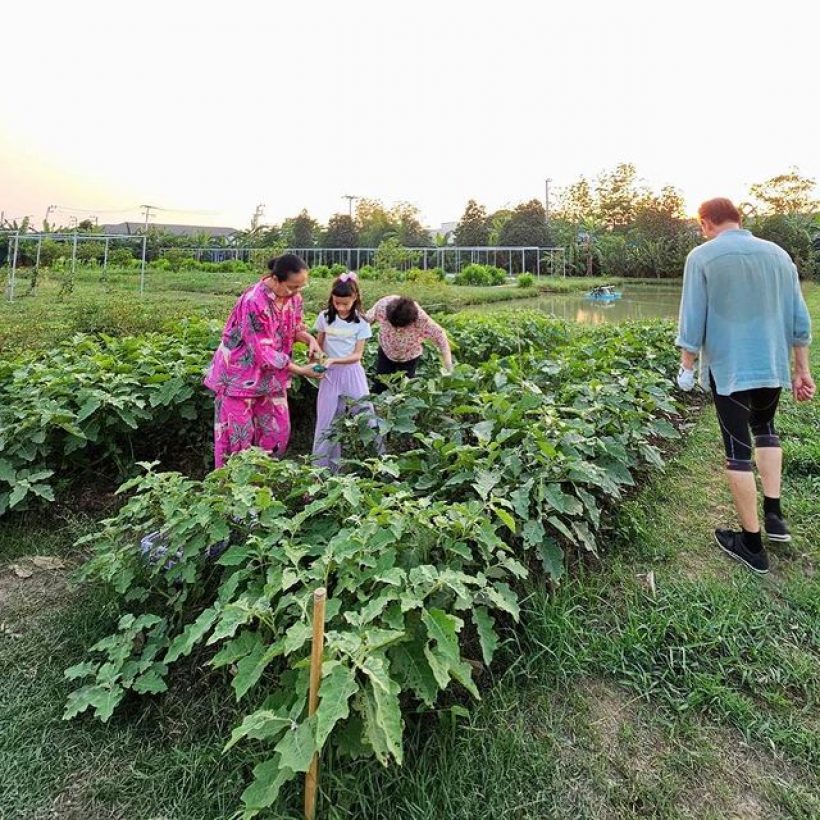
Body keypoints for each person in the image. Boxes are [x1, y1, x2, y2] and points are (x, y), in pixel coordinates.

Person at [676, 197, 814, 574]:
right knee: (767, 430)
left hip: (730, 369)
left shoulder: (702, 257)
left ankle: (751, 544)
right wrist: (802, 370)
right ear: (739, 219)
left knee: (737, 450)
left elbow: (692, 318)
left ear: (706, 223)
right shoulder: (778, 255)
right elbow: (799, 319)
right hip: (771, 366)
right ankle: (774, 516)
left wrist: (686, 367)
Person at [204, 253, 323, 468]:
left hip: (270, 379)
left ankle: (262, 486)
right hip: (238, 377)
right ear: (276, 279)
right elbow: (263, 353)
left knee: (277, 433)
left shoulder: (293, 298)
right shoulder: (253, 301)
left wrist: (310, 340)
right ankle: (231, 493)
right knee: (238, 439)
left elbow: (295, 327)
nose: (296, 292)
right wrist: (302, 371)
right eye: (292, 286)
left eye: (300, 287)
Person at [312, 272, 377, 469]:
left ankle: (378, 463)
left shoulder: (361, 322)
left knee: (367, 415)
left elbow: (358, 355)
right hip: (330, 375)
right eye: (337, 303)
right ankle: (323, 471)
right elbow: (319, 344)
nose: (340, 307)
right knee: (326, 421)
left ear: (355, 299)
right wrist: (315, 357)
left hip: (352, 373)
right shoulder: (324, 317)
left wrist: (333, 360)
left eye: (345, 304)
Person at [364, 295, 454, 393]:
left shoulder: (421, 319)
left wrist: (448, 366)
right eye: (394, 326)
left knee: (405, 390)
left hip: (410, 356)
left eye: (402, 327)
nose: (398, 330)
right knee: (380, 384)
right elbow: (366, 321)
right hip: (386, 351)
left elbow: (441, 337)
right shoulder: (382, 306)